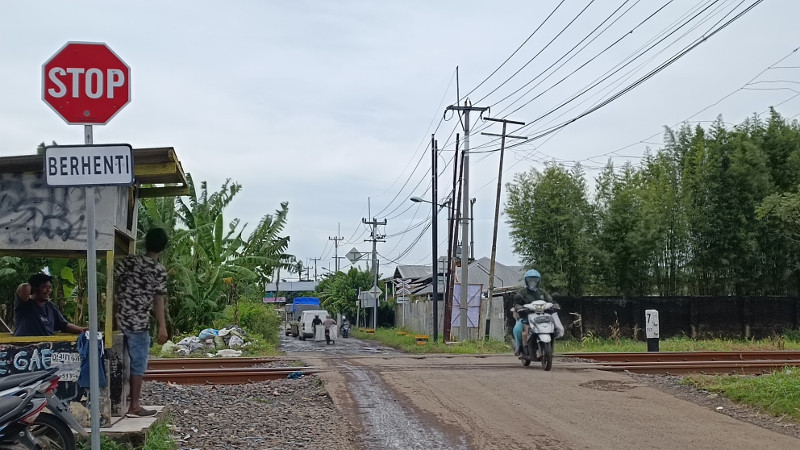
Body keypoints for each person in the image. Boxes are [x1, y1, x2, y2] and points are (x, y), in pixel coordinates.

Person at [115, 227, 170, 418]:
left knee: (120, 363)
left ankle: (119, 402)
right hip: (138, 324)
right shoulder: (158, 270)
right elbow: (158, 300)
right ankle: (135, 406)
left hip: (120, 320)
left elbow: (114, 279)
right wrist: (162, 326)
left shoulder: (129, 261)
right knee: (138, 365)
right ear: (163, 248)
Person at [13, 273, 88, 337]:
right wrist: (32, 286)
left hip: (45, 348)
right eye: (44, 287)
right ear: (34, 289)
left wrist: (81, 329)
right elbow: (24, 287)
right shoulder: (25, 304)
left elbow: (64, 325)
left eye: (50, 288)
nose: (48, 291)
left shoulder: (51, 306)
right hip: (24, 348)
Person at [511, 269, 552, 356]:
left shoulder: (542, 292)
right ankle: (519, 346)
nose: (532, 282)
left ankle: (550, 346)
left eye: (535, 279)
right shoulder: (522, 292)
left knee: (554, 327)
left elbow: (549, 299)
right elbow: (516, 302)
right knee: (518, 329)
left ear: (539, 280)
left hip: (541, 316)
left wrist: (554, 304)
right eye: (530, 279)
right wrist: (518, 306)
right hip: (526, 316)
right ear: (526, 280)